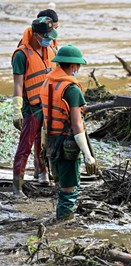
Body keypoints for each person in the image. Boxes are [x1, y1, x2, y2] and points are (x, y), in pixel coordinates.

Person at [40, 45, 97, 220]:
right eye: (78, 66)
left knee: (60, 183)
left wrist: (44, 145)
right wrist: (88, 155)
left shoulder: (47, 82)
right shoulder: (71, 89)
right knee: (69, 189)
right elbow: (77, 124)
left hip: (50, 141)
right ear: (73, 66)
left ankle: (60, 218)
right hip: (67, 145)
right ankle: (63, 225)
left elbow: (45, 118)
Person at [12, 17, 58, 197]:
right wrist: (16, 109)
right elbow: (17, 84)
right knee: (25, 147)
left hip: (48, 105)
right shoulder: (21, 55)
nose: (48, 39)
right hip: (31, 108)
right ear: (37, 35)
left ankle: (44, 174)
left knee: (46, 143)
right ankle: (17, 188)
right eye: (45, 36)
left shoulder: (51, 50)